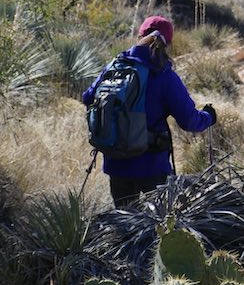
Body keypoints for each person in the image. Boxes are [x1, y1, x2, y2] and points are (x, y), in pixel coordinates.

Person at [82, 15, 216, 207]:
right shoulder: (164, 75)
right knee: (164, 226)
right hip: (152, 166)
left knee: (127, 225)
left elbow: (88, 97)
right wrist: (209, 117)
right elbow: (189, 121)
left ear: (140, 35)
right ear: (167, 44)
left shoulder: (115, 66)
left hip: (115, 162)